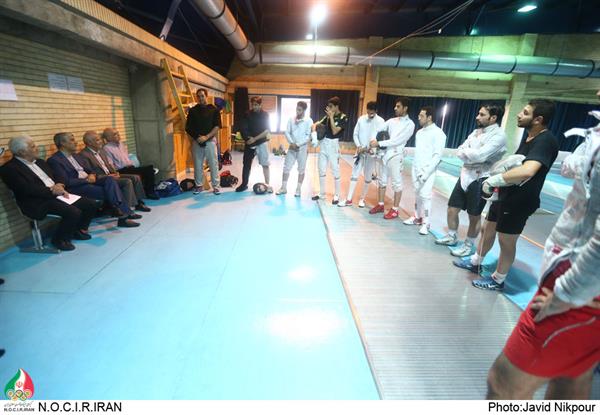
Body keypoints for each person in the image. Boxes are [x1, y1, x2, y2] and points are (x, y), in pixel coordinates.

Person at [485, 91, 600, 399]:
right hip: (577, 279)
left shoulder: (546, 140)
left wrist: (566, 295)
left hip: (578, 285)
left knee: (503, 383)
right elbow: (572, 167)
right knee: (571, 376)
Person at [454, 100, 559, 291]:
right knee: (487, 229)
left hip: (519, 200)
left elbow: (528, 170)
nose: (519, 114)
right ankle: (476, 261)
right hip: (505, 195)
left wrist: (495, 180)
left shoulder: (545, 141)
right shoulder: (529, 137)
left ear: (538, 119)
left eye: (525, 112)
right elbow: (517, 164)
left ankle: (498, 279)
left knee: (506, 240)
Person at [0, 135, 97, 251]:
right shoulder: (9, 169)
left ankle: (77, 230)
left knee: (90, 204)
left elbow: (58, 176)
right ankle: (59, 240)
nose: (36, 148)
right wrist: (52, 190)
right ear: (22, 152)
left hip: (56, 194)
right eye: (33, 146)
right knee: (73, 211)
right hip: (37, 202)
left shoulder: (40, 162)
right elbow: (26, 189)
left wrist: (60, 185)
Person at [434, 104, 506, 257]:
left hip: (481, 177)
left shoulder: (499, 136)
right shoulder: (475, 132)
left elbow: (480, 156)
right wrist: (470, 153)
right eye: (478, 113)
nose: (477, 117)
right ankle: (452, 236)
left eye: (482, 114)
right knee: (452, 208)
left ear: (493, 118)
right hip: (465, 174)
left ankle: (468, 245)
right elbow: (459, 150)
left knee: (474, 215)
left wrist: (468, 153)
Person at [47, 132, 140, 228]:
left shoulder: (76, 156)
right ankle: (123, 216)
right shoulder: (55, 160)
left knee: (109, 180)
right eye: (72, 140)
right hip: (77, 187)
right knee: (112, 191)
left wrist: (92, 175)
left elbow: (90, 171)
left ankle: (120, 212)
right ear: (63, 143)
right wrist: (86, 180)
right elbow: (66, 182)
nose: (76, 142)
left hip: (90, 181)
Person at [79, 131, 151, 213]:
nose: (101, 141)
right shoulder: (84, 155)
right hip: (102, 179)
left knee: (136, 177)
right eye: (98, 140)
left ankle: (139, 203)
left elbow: (108, 164)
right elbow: (90, 173)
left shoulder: (101, 151)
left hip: (110, 175)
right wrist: (108, 176)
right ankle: (127, 209)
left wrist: (115, 172)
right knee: (127, 181)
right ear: (89, 143)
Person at [368, 97, 415, 219]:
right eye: (395, 106)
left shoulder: (410, 124)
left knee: (397, 184)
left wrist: (379, 143)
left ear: (405, 108)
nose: (395, 108)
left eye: (398, 106)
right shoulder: (392, 121)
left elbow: (397, 141)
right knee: (382, 181)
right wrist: (373, 140)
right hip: (385, 155)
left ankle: (395, 210)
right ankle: (380, 205)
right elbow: (377, 129)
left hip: (396, 156)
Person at [403, 106, 446, 234]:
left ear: (429, 117)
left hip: (428, 171)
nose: (419, 118)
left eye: (422, 116)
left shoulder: (439, 134)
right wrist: (415, 169)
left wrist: (426, 172)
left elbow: (437, 156)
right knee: (417, 194)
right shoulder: (419, 133)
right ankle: (417, 217)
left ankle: (426, 223)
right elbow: (419, 153)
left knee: (425, 196)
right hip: (416, 168)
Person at [338, 101, 385, 208]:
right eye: (368, 112)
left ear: (376, 111)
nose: (370, 114)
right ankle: (349, 200)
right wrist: (359, 146)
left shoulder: (381, 121)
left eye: (372, 112)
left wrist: (374, 149)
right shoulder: (361, 119)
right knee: (354, 175)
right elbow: (355, 134)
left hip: (371, 153)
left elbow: (381, 138)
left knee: (368, 177)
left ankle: (362, 199)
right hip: (360, 152)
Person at [102, 128, 159, 200]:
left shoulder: (121, 144)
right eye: (115, 134)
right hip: (121, 170)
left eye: (118, 133)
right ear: (108, 137)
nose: (118, 135)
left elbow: (126, 157)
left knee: (149, 169)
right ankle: (150, 192)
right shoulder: (107, 148)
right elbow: (110, 163)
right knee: (149, 169)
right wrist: (115, 173)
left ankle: (148, 190)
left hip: (130, 168)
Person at [311, 96, 348, 204]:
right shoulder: (326, 117)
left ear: (337, 106)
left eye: (331, 106)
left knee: (335, 171)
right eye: (328, 106)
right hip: (323, 144)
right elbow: (314, 125)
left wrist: (331, 117)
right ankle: (322, 194)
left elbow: (335, 131)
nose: (329, 108)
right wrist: (314, 137)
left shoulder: (343, 117)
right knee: (321, 170)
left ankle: (336, 195)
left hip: (333, 146)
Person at [185, 88, 222, 195]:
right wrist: (197, 137)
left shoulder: (214, 110)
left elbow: (217, 126)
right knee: (197, 165)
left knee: (213, 164)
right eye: (198, 96)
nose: (200, 98)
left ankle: (216, 186)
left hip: (210, 141)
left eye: (202, 96)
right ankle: (199, 186)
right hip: (197, 141)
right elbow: (188, 128)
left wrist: (207, 137)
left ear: (206, 96)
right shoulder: (193, 111)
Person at [276, 100, 313, 197]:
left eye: (300, 110)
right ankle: (283, 188)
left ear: (304, 110)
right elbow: (287, 132)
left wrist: (298, 144)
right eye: (297, 109)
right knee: (286, 167)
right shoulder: (291, 119)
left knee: (301, 169)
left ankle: (298, 189)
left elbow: (308, 136)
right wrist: (292, 143)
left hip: (302, 149)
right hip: (292, 147)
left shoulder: (309, 121)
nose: (297, 111)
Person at [236, 96, 272, 193]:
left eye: (256, 105)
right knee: (246, 164)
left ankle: (267, 185)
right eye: (253, 105)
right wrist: (247, 139)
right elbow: (243, 127)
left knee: (265, 164)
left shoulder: (265, 115)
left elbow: (267, 130)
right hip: (250, 143)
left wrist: (254, 139)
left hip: (262, 142)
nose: (254, 107)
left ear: (260, 105)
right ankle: (244, 184)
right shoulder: (247, 114)